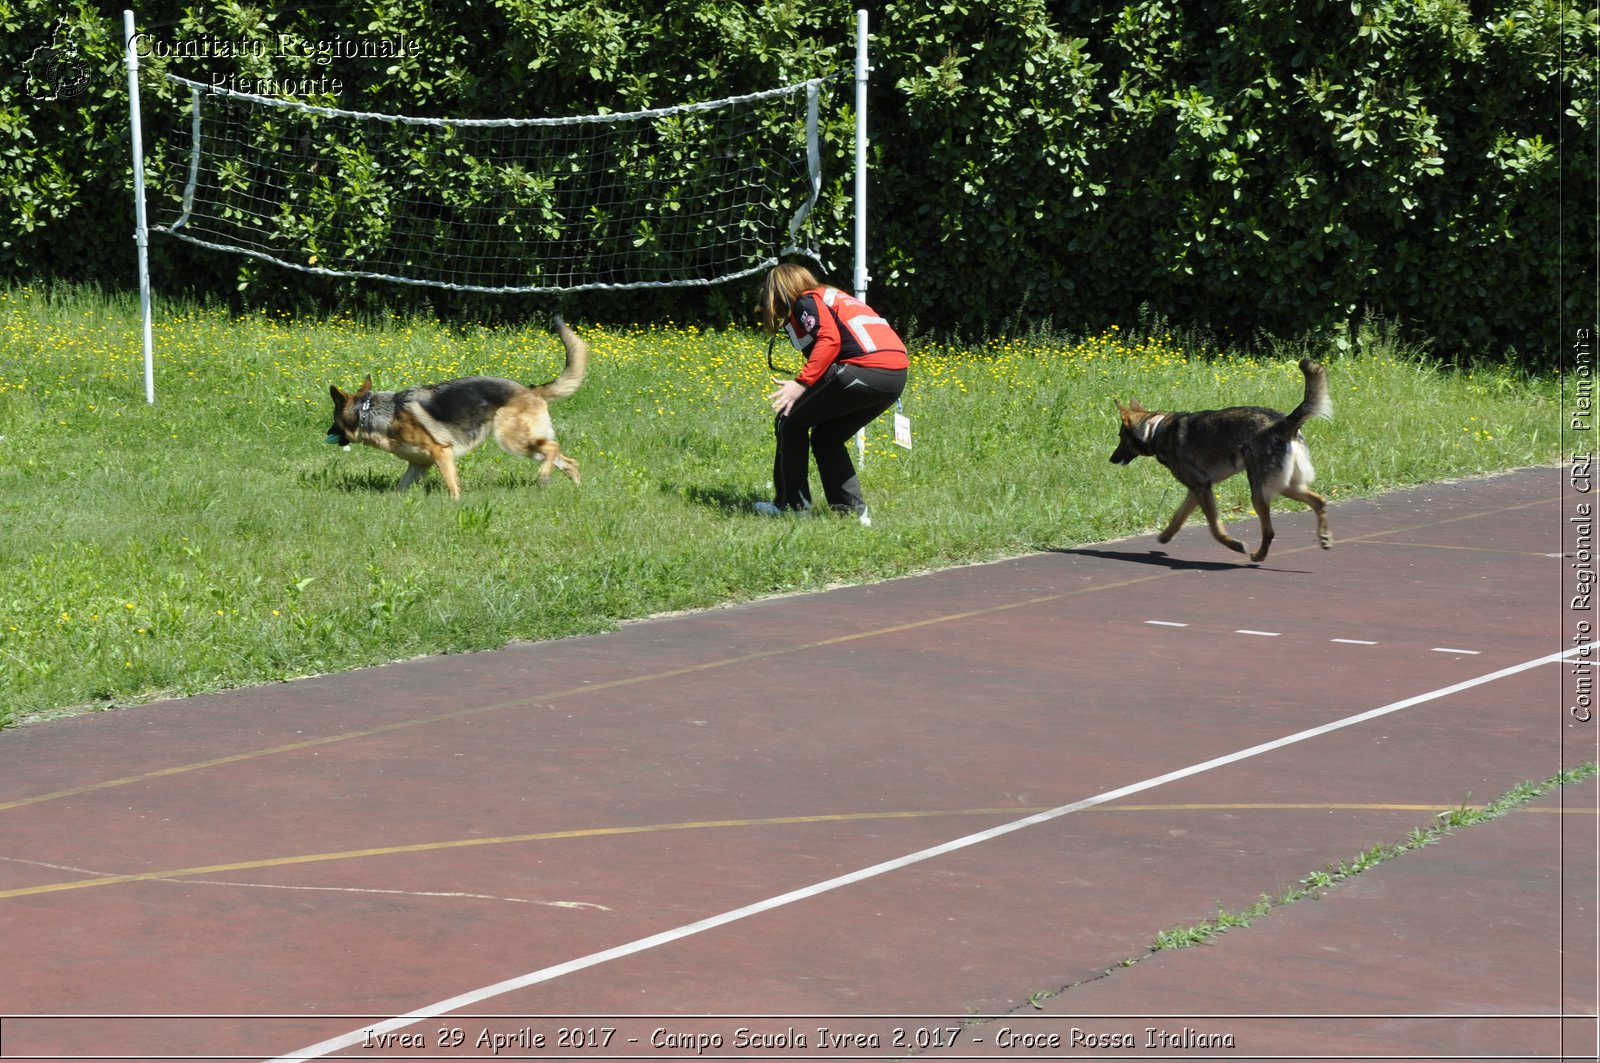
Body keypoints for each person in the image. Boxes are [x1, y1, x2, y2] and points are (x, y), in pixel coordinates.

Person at [753, 262, 908, 526]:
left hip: (863, 369)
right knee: (827, 437)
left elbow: (829, 340)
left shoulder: (805, 300)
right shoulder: (833, 296)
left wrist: (801, 383)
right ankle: (853, 515)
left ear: (780, 291)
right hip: (895, 376)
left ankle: (791, 506)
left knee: (789, 421)